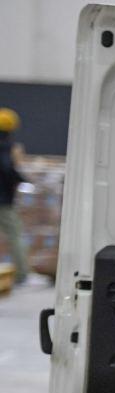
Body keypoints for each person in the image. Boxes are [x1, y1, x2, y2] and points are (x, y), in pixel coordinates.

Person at [0, 108, 30, 285]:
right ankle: (22, 273)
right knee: (15, 234)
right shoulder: (9, 148)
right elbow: (7, 168)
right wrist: (21, 180)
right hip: (4, 201)